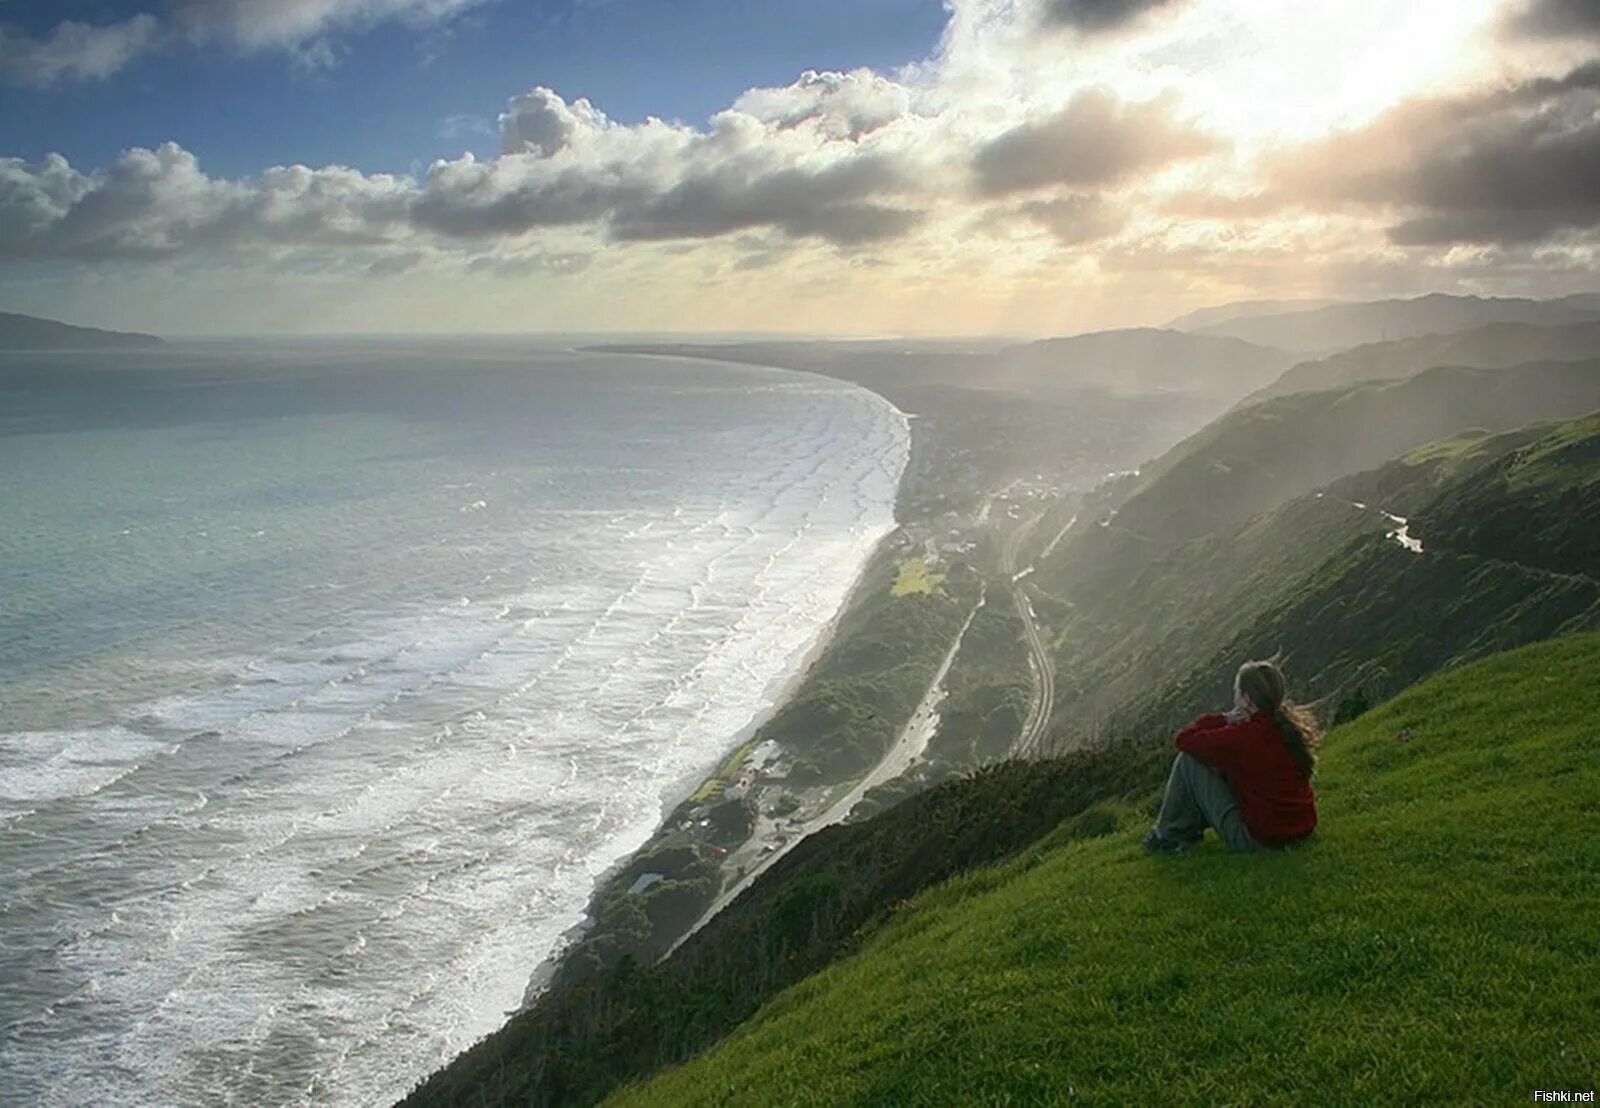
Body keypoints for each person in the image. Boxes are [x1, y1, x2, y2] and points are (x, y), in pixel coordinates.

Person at [1143, 659, 1318, 854]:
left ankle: (1165, 836)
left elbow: (1184, 740)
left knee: (1188, 761)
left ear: (1247, 700)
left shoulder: (1243, 736)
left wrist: (1223, 719)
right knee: (1219, 767)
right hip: (1302, 829)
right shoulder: (1286, 728)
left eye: (1236, 692)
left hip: (1260, 840)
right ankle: (1182, 829)